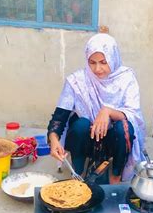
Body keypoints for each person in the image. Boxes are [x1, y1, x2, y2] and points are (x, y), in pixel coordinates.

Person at [47, 33, 146, 184]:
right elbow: (59, 117)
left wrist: (107, 111)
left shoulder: (126, 78)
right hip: (88, 140)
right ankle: (78, 173)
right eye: (92, 62)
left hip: (114, 141)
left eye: (103, 62)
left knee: (124, 127)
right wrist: (54, 140)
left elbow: (133, 115)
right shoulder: (77, 81)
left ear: (113, 58)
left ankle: (116, 176)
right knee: (81, 124)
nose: (97, 69)